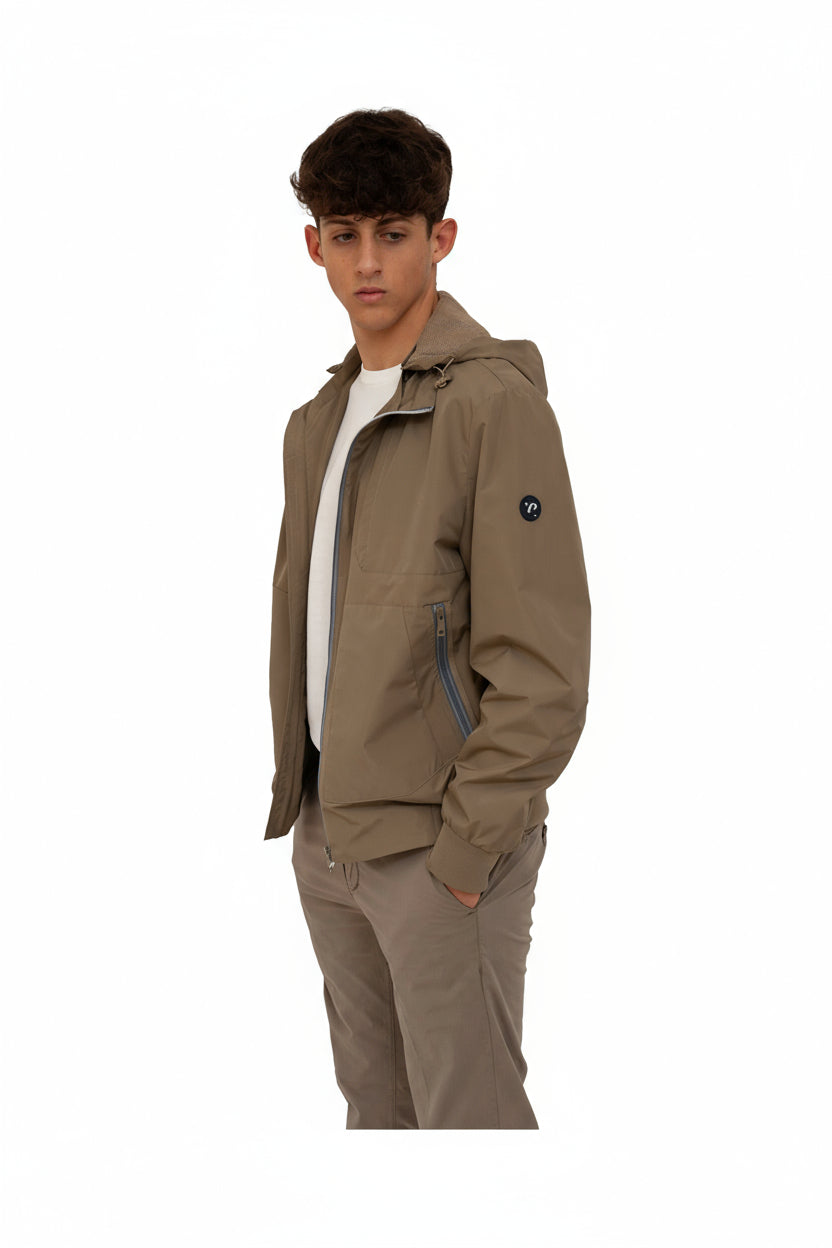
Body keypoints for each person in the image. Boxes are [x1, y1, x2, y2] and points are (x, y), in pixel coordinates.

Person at [265, 107, 591, 1129]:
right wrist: (307, 817)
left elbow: (544, 667)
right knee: (379, 1129)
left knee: (471, 1136)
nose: (368, 261)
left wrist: (467, 848)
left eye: (393, 233)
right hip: (330, 838)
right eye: (345, 234)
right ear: (314, 245)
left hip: (441, 848)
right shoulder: (317, 422)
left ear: (440, 238)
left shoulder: (491, 405)